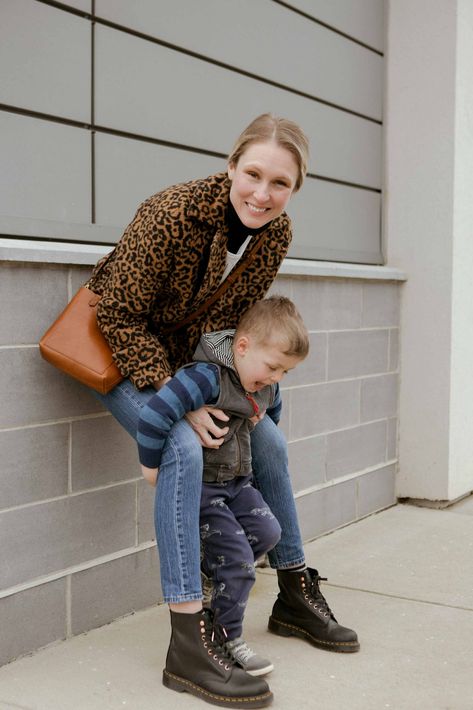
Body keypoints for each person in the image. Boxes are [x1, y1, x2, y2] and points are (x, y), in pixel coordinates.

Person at [86, 113, 359, 708]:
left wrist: (251, 405)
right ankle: (188, 634)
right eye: (253, 174)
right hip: (127, 360)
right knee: (182, 447)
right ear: (232, 165)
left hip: (200, 373)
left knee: (271, 442)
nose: (263, 193)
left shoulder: (275, 233)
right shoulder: (172, 211)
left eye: (280, 183)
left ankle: (292, 589)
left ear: (295, 189)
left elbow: (237, 331)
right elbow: (116, 316)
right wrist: (177, 399)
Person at [137, 296, 309, 683]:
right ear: (243, 347)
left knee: (269, 532)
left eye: (285, 371)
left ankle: (217, 574)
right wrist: (151, 468)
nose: (276, 378)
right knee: (239, 564)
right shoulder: (206, 376)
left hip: (238, 482)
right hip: (205, 489)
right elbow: (155, 414)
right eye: (273, 367)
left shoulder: (265, 384)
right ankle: (225, 637)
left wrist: (264, 412)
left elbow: (271, 411)